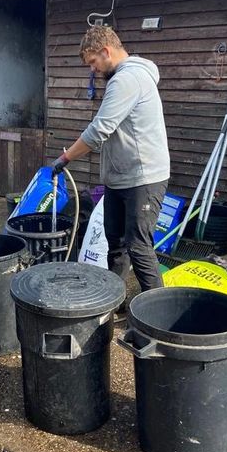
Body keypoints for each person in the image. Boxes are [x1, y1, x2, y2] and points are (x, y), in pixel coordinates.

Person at [52, 25, 170, 291]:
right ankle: (112, 302)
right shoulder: (124, 78)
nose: (92, 70)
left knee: (139, 247)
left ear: (105, 51)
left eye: (93, 62)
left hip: (143, 178)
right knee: (115, 243)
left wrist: (65, 158)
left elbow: (98, 131)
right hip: (120, 178)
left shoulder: (128, 79)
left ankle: (154, 321)